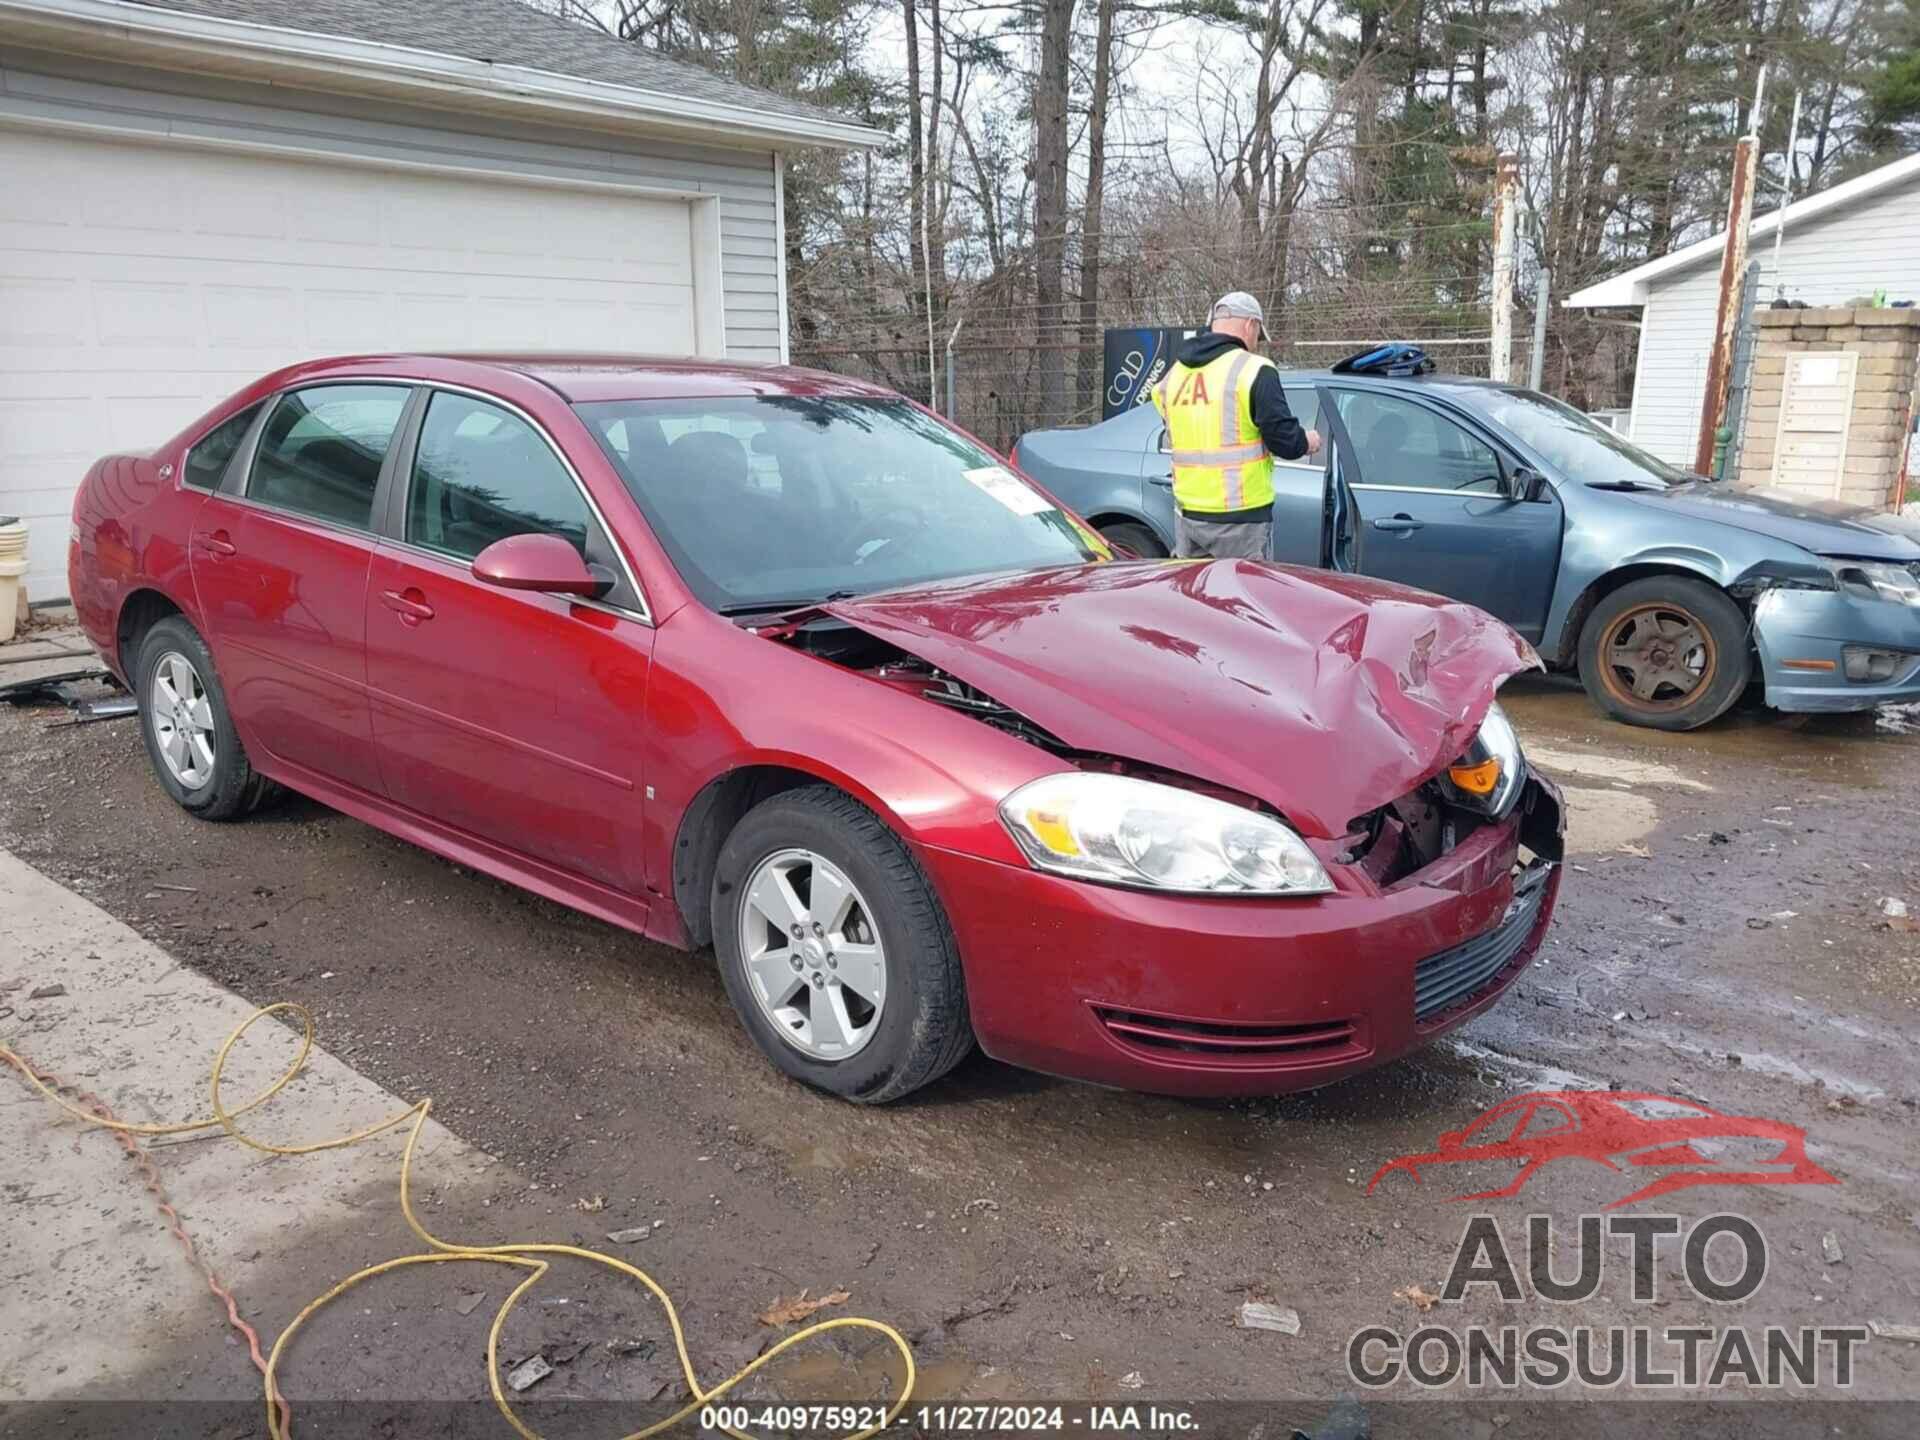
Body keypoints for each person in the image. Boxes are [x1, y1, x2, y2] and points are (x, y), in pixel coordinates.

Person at [1150, 292, 1322, 560]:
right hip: (1241, 518)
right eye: (1258, 335)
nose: (1256, 344)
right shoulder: (1254, 369)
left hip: (1188, 514)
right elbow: (1284, 441)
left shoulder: (1175, 374)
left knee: (1196, 597)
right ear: (1250, 325)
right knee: (1241, 598)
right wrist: (1307, 441)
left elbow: (1175, 419)